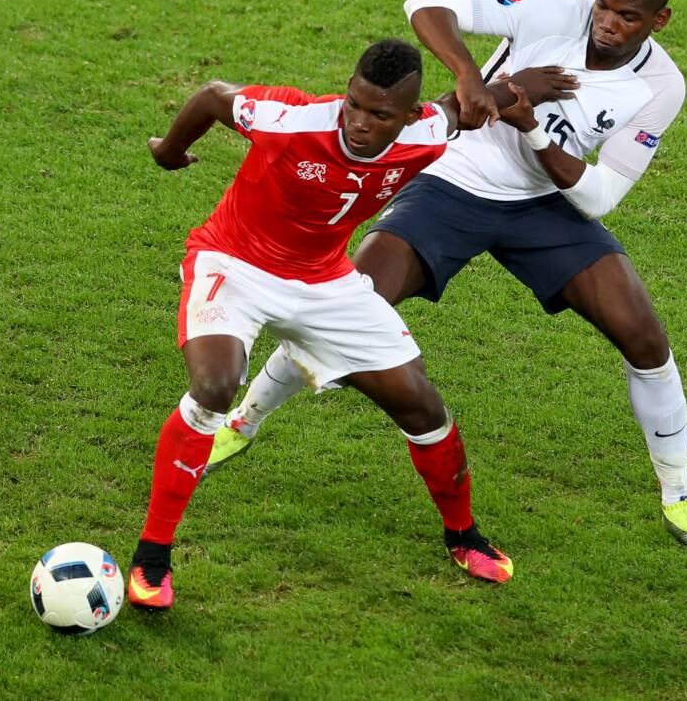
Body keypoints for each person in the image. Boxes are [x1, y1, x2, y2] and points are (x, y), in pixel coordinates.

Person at [211, 0, 687, 556]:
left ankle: (679, 496)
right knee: (350, 298)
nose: (606, 23)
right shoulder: (547, 10)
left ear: (659, 20)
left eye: (627, 16)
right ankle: (240, 422)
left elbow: (599, 196)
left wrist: (529, 122)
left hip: (547, 206)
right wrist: (467, 75)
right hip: (452, 183)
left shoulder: (661, 87)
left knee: (643, 336)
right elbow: (425, 3)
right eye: (602, 6)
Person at [128, 40, 581, 610]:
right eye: (355, 105)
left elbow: (471, 104)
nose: (360, 124)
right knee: (216, 384)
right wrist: (170, 150)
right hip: (236, 262)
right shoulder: (289, 119)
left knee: (419, 403)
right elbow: (214, 97)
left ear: (409, 115)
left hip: (326, 282)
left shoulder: (428, 131)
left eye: (380, 115)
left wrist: (528, 86)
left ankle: (463, 536)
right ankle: (152, 556)